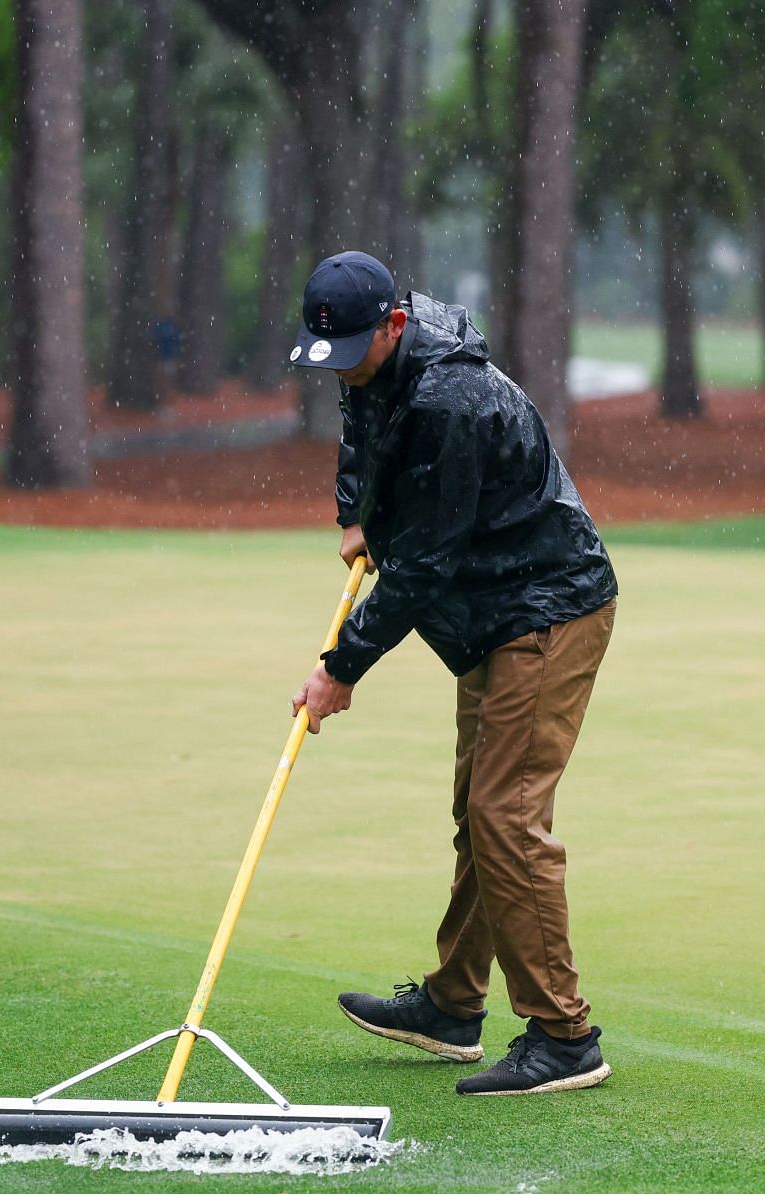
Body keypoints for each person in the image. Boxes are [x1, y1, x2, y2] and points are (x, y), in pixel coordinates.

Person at [286, 251, 619, 1097]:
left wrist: (340, 668)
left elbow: (424, 567)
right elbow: (361, 419)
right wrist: (355, 514)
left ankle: (563, 1035)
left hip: (546, 606)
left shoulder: (452, 402)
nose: (344, 367)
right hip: (492, 609)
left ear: (393, 326)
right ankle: (452, 1006)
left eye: (355, 351)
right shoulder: (377, 358)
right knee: (480, 809)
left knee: (505, 811)